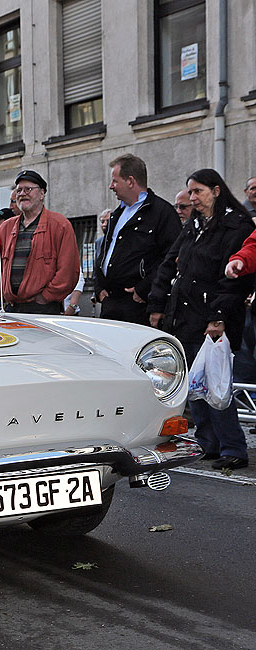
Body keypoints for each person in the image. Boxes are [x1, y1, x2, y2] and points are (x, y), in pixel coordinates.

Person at [149, 168, 254, 471]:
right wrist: (157, 304)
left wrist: (218, 317)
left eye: (198, 191)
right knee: (193, 385)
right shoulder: (194, 225)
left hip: (214, 316)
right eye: (191, 192)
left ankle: (233, 447)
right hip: (184, 315)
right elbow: (170, 263)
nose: (193, 198)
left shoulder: (235, 225)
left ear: (216, 191)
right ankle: (208, 442)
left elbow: (234, 279)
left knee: (216, 384)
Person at [94, 155, 180, 325]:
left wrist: (144, 289)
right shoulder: (117, 214)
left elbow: (171, 258)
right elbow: (104, 252)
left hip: (138, 304)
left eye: (115, 181)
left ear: (130, 181)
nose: (111, 186)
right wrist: (98, 287)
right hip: (111, 302)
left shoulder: (162, 213)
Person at [0, 170, 80, 314]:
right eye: (19, 190)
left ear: (42, 194)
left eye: (28, 189)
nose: (22, 194)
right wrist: (2, 293)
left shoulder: (60, 225)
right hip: (11, 307)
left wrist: (45, 297)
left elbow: (68, 271)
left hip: (44, 309)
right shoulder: (5, 228)